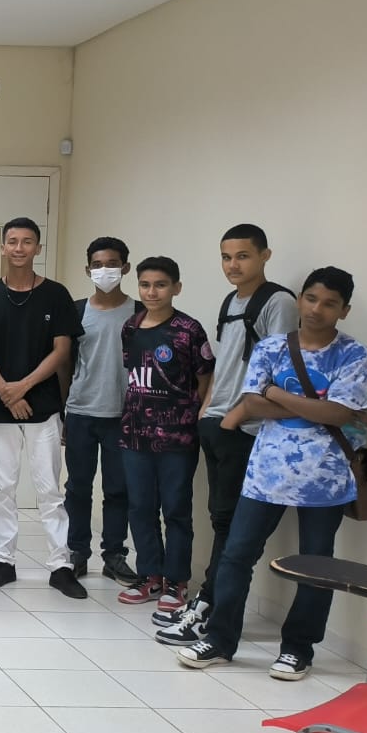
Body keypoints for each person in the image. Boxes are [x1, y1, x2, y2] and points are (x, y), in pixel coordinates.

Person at [178, 268, 367, 681]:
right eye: (312, 299)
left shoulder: (354, 355)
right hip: (266, 473)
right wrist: (313, 403)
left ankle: (298, 649)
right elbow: (250, 404)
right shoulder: (270, 348)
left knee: (316, 567)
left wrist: (276, 393)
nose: (317, 309)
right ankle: (219, 640)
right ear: (300, 299)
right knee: (236, 555)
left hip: (326, 479)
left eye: (330, 303)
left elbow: (339, 414)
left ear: (344, 310)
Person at [157, 224, 298, 645]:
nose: (233, 265)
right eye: (226, 257)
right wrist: (208, 412)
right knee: (222, 520)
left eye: (243, 256)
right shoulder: (231, 300)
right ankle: (207, 602)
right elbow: (225, 363)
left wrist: (236, 416)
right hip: (217, 422)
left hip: (247, 428)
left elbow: (279, 370)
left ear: (265, 256)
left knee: (234, 526)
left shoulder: (278, 302)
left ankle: (212, 607)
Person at [0, 217, 86, 598]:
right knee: (3, 488)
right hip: (0, 405)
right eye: (12, 241)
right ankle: (3, 561)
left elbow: (62, 350)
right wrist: (5, 389)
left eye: (27, 242)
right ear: (2, 247)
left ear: (38, 248)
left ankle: (60, 565)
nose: (19, 248)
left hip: (44, 405)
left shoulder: (56, 294)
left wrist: (23, 387)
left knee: (49, 489)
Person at [115, 257, 213, 619]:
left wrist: (196, 413)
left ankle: (176, 581)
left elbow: (205, 378)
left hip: (177, 436)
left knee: (175, 508)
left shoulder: (189, 330)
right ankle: (149, 575)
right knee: (139, 507)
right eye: (145, 285)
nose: (151, 292)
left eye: (160, 285)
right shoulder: (130, 327)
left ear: (176, 288)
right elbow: (133, 373)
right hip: (134, 433)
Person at [61, 237, 140, 585]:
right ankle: (77, 551)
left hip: (124, 415)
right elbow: (66, 364)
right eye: (97, 264)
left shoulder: (140, 312)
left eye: (111, 264)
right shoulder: (76, 312)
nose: (103, 270)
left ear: (125, 267)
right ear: (87, 269)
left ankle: (115, 555)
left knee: (118, 489)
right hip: (81, 411)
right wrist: (63, 411)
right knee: (78, 487)